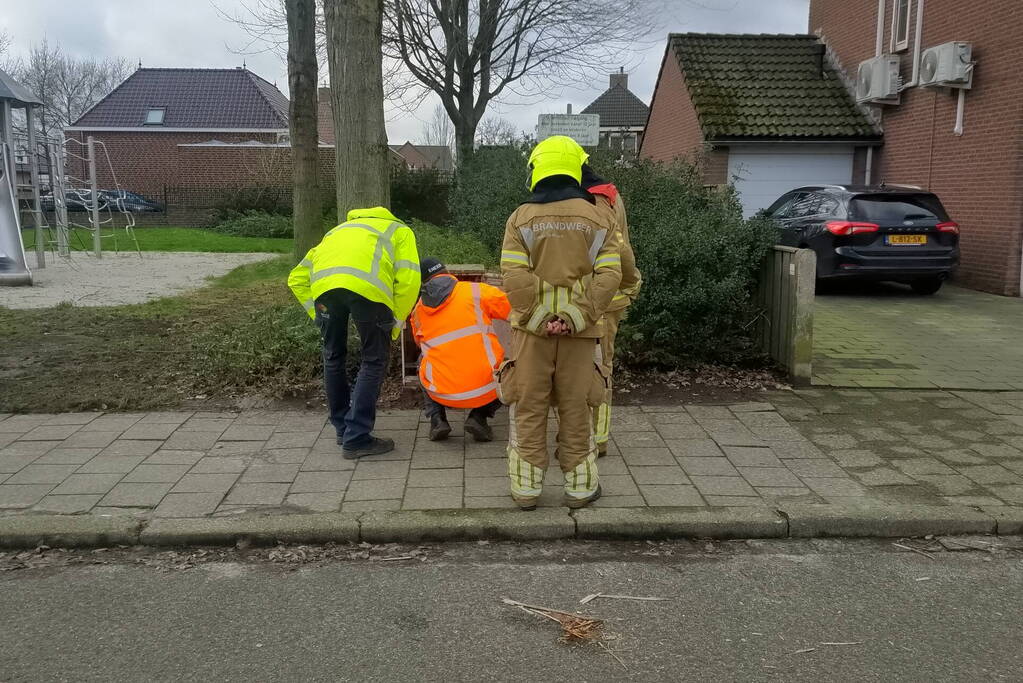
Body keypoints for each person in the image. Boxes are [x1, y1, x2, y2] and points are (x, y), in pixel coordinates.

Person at [499, 136, 622, 510]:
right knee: (576, 407)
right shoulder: (600, 215)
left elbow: (513, 277)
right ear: (574, 168)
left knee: (528, 406)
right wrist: (574, 317)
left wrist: (541, 319)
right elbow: (610, 276)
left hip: (530, 335)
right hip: (581, 337)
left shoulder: (520, 218)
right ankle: (581, 489)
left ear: (537, 169)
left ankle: (526, 491)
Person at [288, 206, 420, 459]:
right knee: (373, 359)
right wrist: (396, 321)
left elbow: (296, 277)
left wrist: (317, 314)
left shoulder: (336, 232)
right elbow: (410, 279)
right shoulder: (399, 230)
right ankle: (357, 437)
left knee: (333, 356)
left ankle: (342, 427)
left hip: (325, 293)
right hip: (369, 294)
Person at [410, 258, 511, 442]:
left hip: (441, 391)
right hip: (486, 388)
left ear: (423, 282)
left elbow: (420, 344)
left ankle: (437, 419)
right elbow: (514, 312)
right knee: (511, 368)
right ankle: (479, 417)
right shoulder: (475, 291)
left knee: (422, 360)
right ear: (447, 272)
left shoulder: (418, 310)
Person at [581, 164, 642, 457]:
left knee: (575, 370)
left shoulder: (585, 201)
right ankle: (596, 437)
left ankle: (588, 438)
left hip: (587, 298)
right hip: (611, 298)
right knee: (602, 368)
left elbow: (616, 246)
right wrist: (631, 283)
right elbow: (623, 247)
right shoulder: (611, 196)